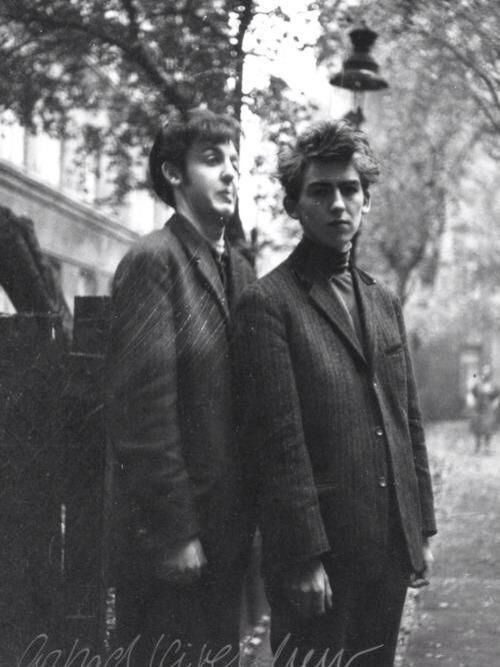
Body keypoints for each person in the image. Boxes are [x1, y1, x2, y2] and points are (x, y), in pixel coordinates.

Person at [233, 120, 437, 666]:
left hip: (387, 549)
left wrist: (419, 531)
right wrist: (302, 558)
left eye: (350, 190)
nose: (338, 204)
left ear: (366, 200)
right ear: (294, 205)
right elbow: (277, 445)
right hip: (320, 560)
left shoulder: (383, 300)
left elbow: (405, 418)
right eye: (320, 191)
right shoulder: (268, 304)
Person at [106, 108, 255, 664]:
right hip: (172, 549)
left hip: (225, 539)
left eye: (236, 162)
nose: (230, 174)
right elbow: (144, 414)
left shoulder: (237, 268)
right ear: (174, 173)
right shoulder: (153, 261)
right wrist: (175, 532)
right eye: (212, 160)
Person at [468, 364, 499, 454]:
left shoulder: (493, 385)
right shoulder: (478, 384)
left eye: (487, 371)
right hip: (478, 408)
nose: (486, 373)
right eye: (484, 371)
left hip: (488, 410)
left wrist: (495, 403)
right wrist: (471, 401)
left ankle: (487, 447)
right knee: (477, 427)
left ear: (490, 373)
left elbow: (498, 395)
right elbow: (471, 393)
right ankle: (477, 446)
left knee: (488, 428)